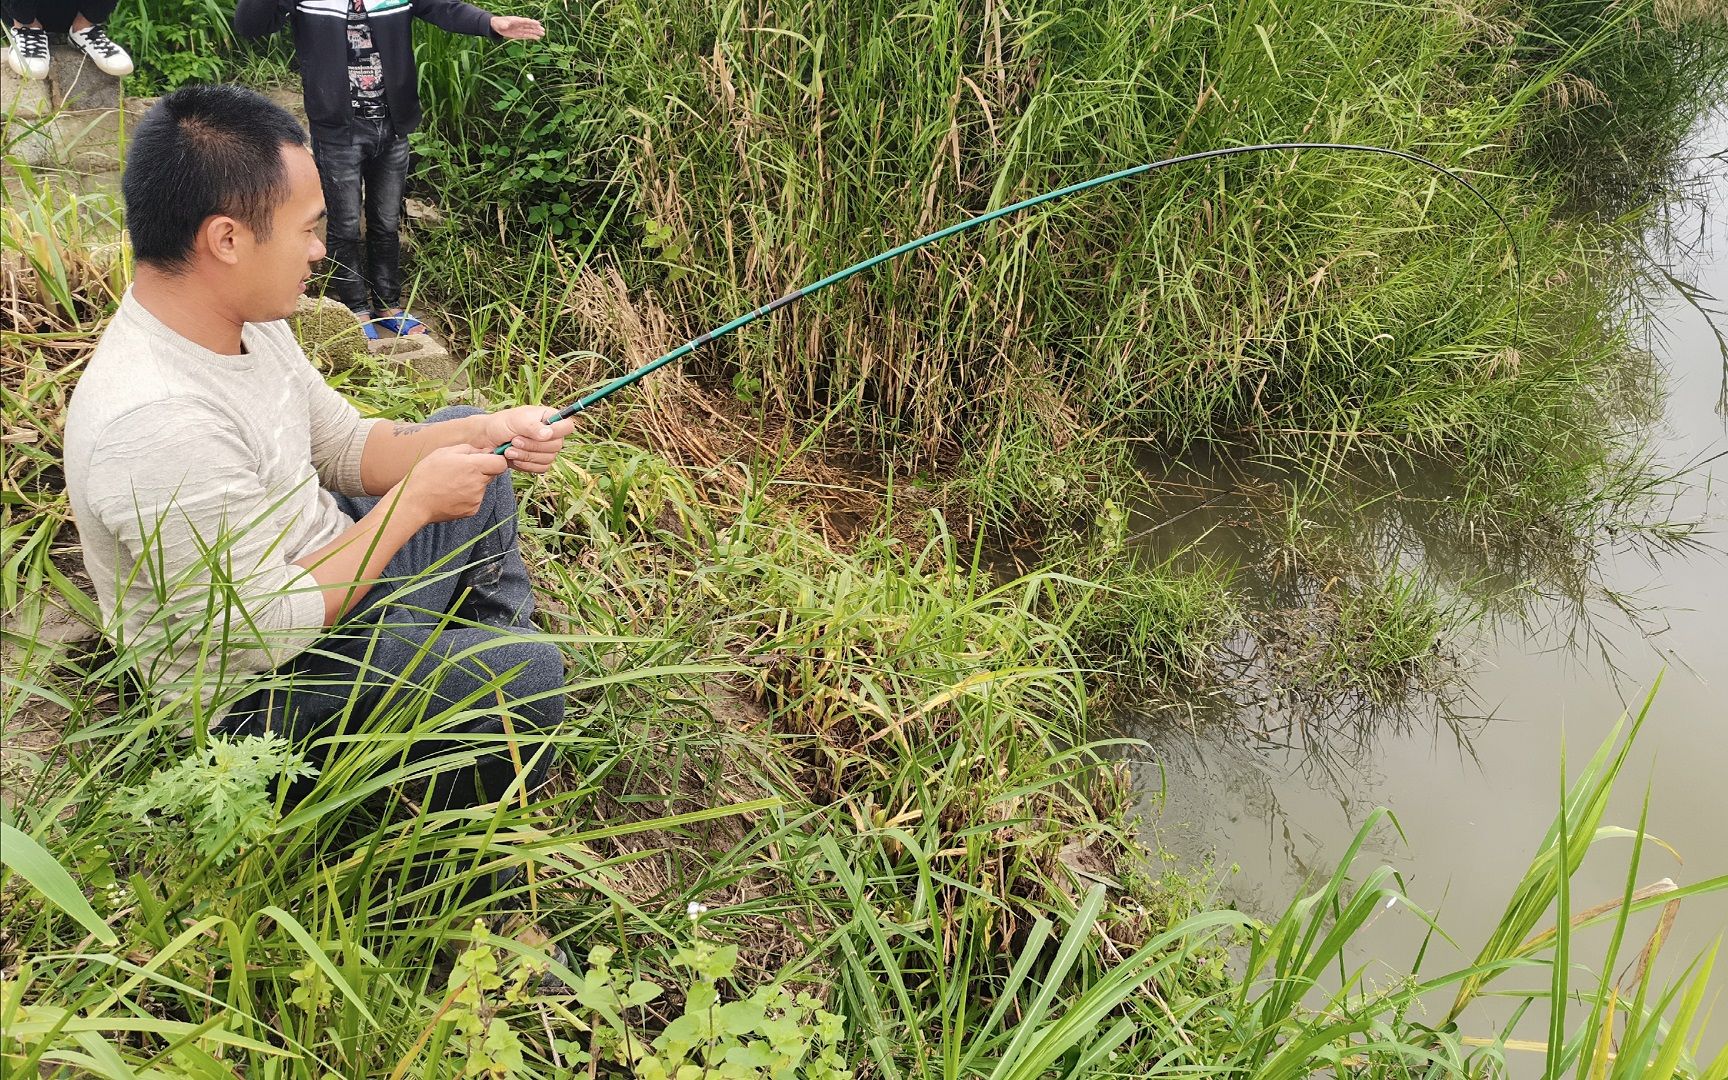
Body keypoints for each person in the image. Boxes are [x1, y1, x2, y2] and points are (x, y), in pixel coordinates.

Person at [62, 85, 577, 894]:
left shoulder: (247, 320)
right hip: (259, 695)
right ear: (226, 238)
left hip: (332, 574)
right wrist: (413, 506)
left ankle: (472, 719)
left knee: (472, 434)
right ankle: (447, 878)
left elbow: (345, 445)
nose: (320, 249)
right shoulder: (152, 421)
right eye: (307, 229)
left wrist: (481, 434)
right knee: (528, 672)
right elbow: (262, 627)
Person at [233, 0, 544, 340]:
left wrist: (491, 23)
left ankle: (387, 304)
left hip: (393, 125)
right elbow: (251, 25)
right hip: (338, 130)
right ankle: (354, 309)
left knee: (385, 222)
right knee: (345, 225)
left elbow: (444, 8)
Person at [4, 0, 132, 80]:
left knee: (91, 14)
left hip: (79, 9)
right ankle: (26, 28)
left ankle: (85, 27)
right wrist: (22, 16)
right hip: (23, 9)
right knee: (23, 15)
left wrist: (94, 13)